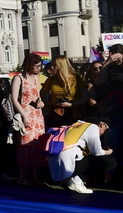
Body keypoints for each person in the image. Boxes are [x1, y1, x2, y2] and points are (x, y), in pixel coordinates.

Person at [47, 121, 115, 194]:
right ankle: (77, 180)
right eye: (105, 130)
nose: (103, 133)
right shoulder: (94, 127)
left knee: (88, 158)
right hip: (67, 165)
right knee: (110, 162)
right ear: (102, 124)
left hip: (55, 165)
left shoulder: (78, 125)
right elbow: (97, 152)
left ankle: (68, 180)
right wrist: (109, 152)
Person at [11, 53, 46, 186]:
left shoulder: (37, 78)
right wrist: (24, 115)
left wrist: (41, 102)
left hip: (37, 114)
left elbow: (38, 95)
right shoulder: (18, 78)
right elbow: (14, 99)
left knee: (37, 144)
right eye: (36, 66)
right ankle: (23, 176)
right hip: (26, 113)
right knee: (25, 144)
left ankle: (35, 176)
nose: (39, 69)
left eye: (40, 66)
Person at [42, 56, 89, 128]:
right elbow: (42, 92)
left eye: (54, 65)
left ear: (61, 66)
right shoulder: (51, 80)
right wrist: (47, 105)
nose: (51, 68)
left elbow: (86, 98)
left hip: (74, 111)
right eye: (52, 65)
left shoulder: (76, 79)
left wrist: (71, 104)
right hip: (56, 112)